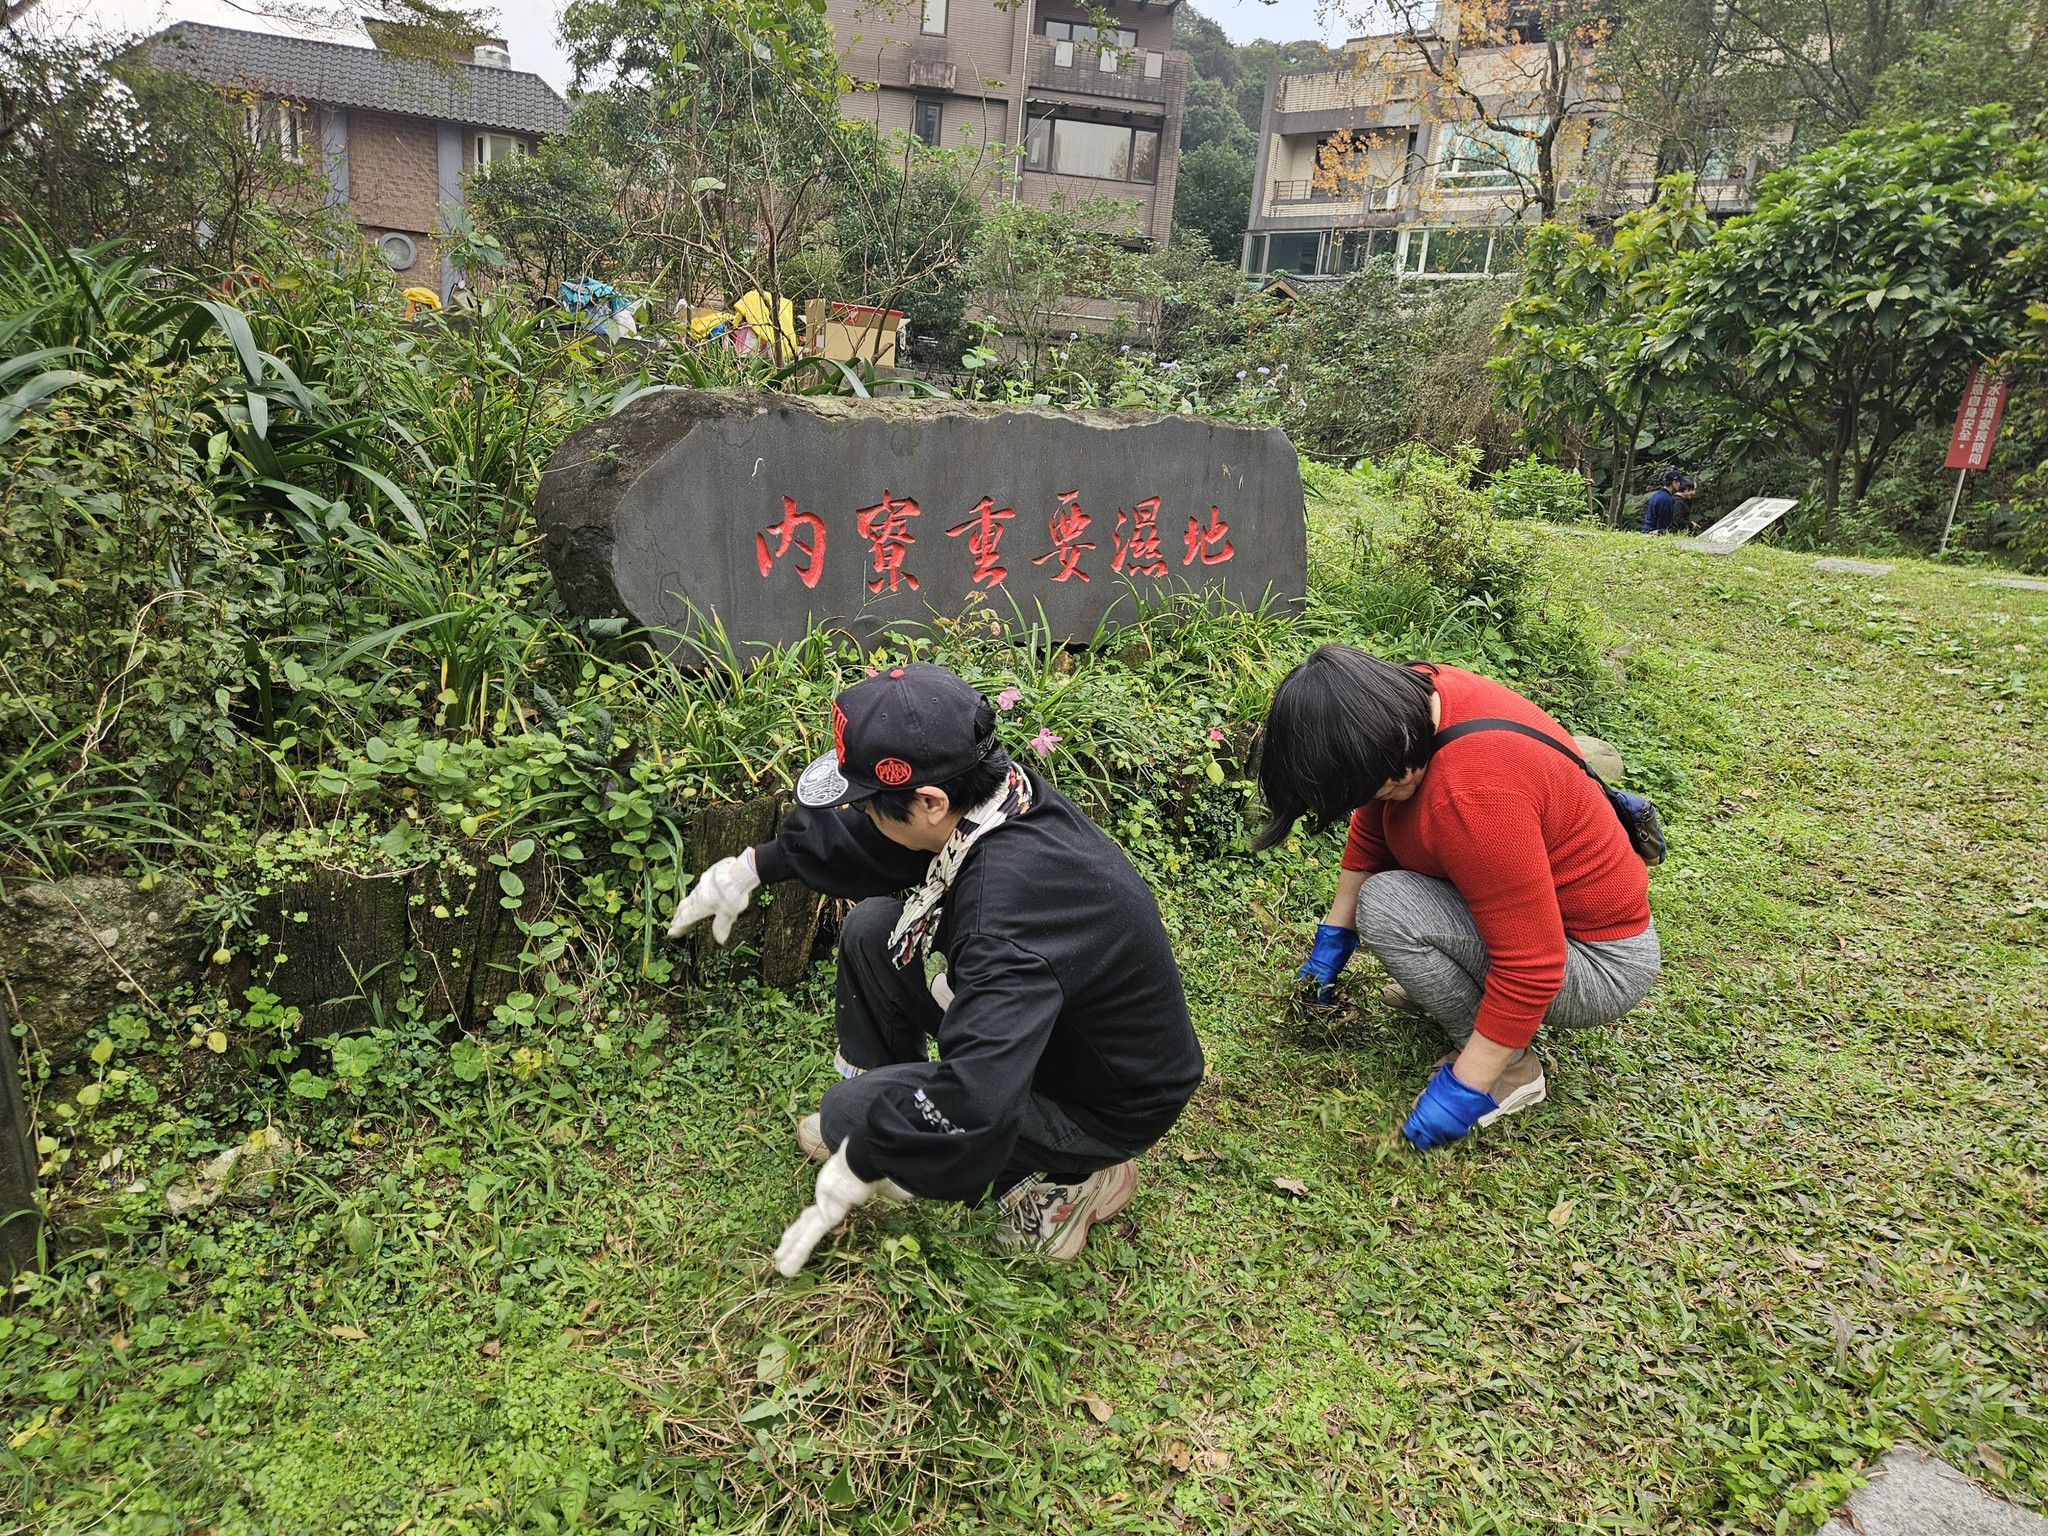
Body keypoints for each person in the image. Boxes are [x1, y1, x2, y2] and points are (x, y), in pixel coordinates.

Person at [667, 663, 1203, 1273]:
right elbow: (874, 844)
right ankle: (896, 1100)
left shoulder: (1004, 914)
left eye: (869, 804)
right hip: (1062, 1027)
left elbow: (979, 1096)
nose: (864, 816)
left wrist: (875, 1147)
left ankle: (1068, 1181)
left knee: (855, 1116)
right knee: (875, 930)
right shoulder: (1001, 799)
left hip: (1108, 1097)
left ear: (929, 801)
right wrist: (755, 866)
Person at [1257, 645, 1659, 1150]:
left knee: (1388, 907)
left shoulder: (1472, 796)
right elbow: (1373, 827)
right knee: (1380, 898)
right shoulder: (1410, 700)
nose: (1382, 797)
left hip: (1600, 964)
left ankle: (1514, 1071)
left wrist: (1464, 1090)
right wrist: (1331, 943)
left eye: (1381, 789)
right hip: (1548, 920)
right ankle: (1464, 992)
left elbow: (1532, 966)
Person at [1639, 468, 1685, 534]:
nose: (1679, 485)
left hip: (1646, 529)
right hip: (1652, 532)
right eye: (1678, 482)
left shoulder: (1657, 494)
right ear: (1674, 483)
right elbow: (1663, 522)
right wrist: (1662, 532)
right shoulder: (1666, 499)